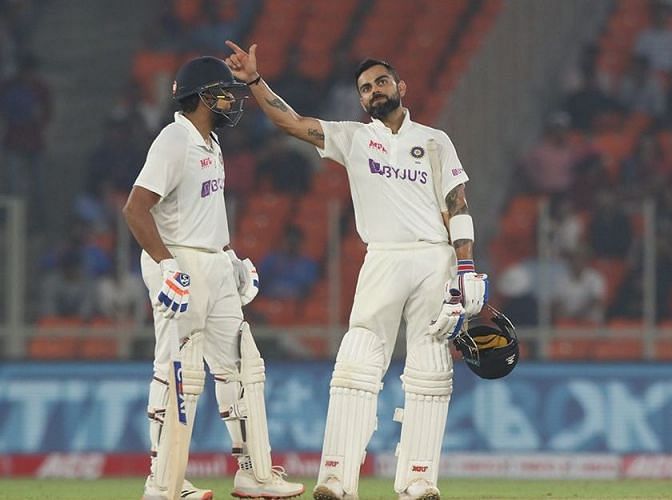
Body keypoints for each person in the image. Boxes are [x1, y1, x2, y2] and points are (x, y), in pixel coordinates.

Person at [224, 41, 489, 500]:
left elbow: (457, 204)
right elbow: (290, 121)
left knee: (430, 367)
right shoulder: (353, 137)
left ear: (400, 86)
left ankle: (418, 481)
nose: (373, 91)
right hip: (382, 256)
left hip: (434, 257)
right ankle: (336, 479)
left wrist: (466, 266)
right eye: (365, 88)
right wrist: (253, 81)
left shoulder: (434, 140)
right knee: (356, 363)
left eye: (381, 81)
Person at [122, 55, 304, 500]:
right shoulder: (174, 139)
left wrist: (231, 258)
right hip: (179, 264)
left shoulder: (211, 143)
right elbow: (135, 209)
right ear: (202, 96)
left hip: (213, 263)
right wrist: (167, 266)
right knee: (179, 370)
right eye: (224, 92)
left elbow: (203, 215)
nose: (231, 99)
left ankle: (254, 473)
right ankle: (164, 483)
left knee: (243, 365)